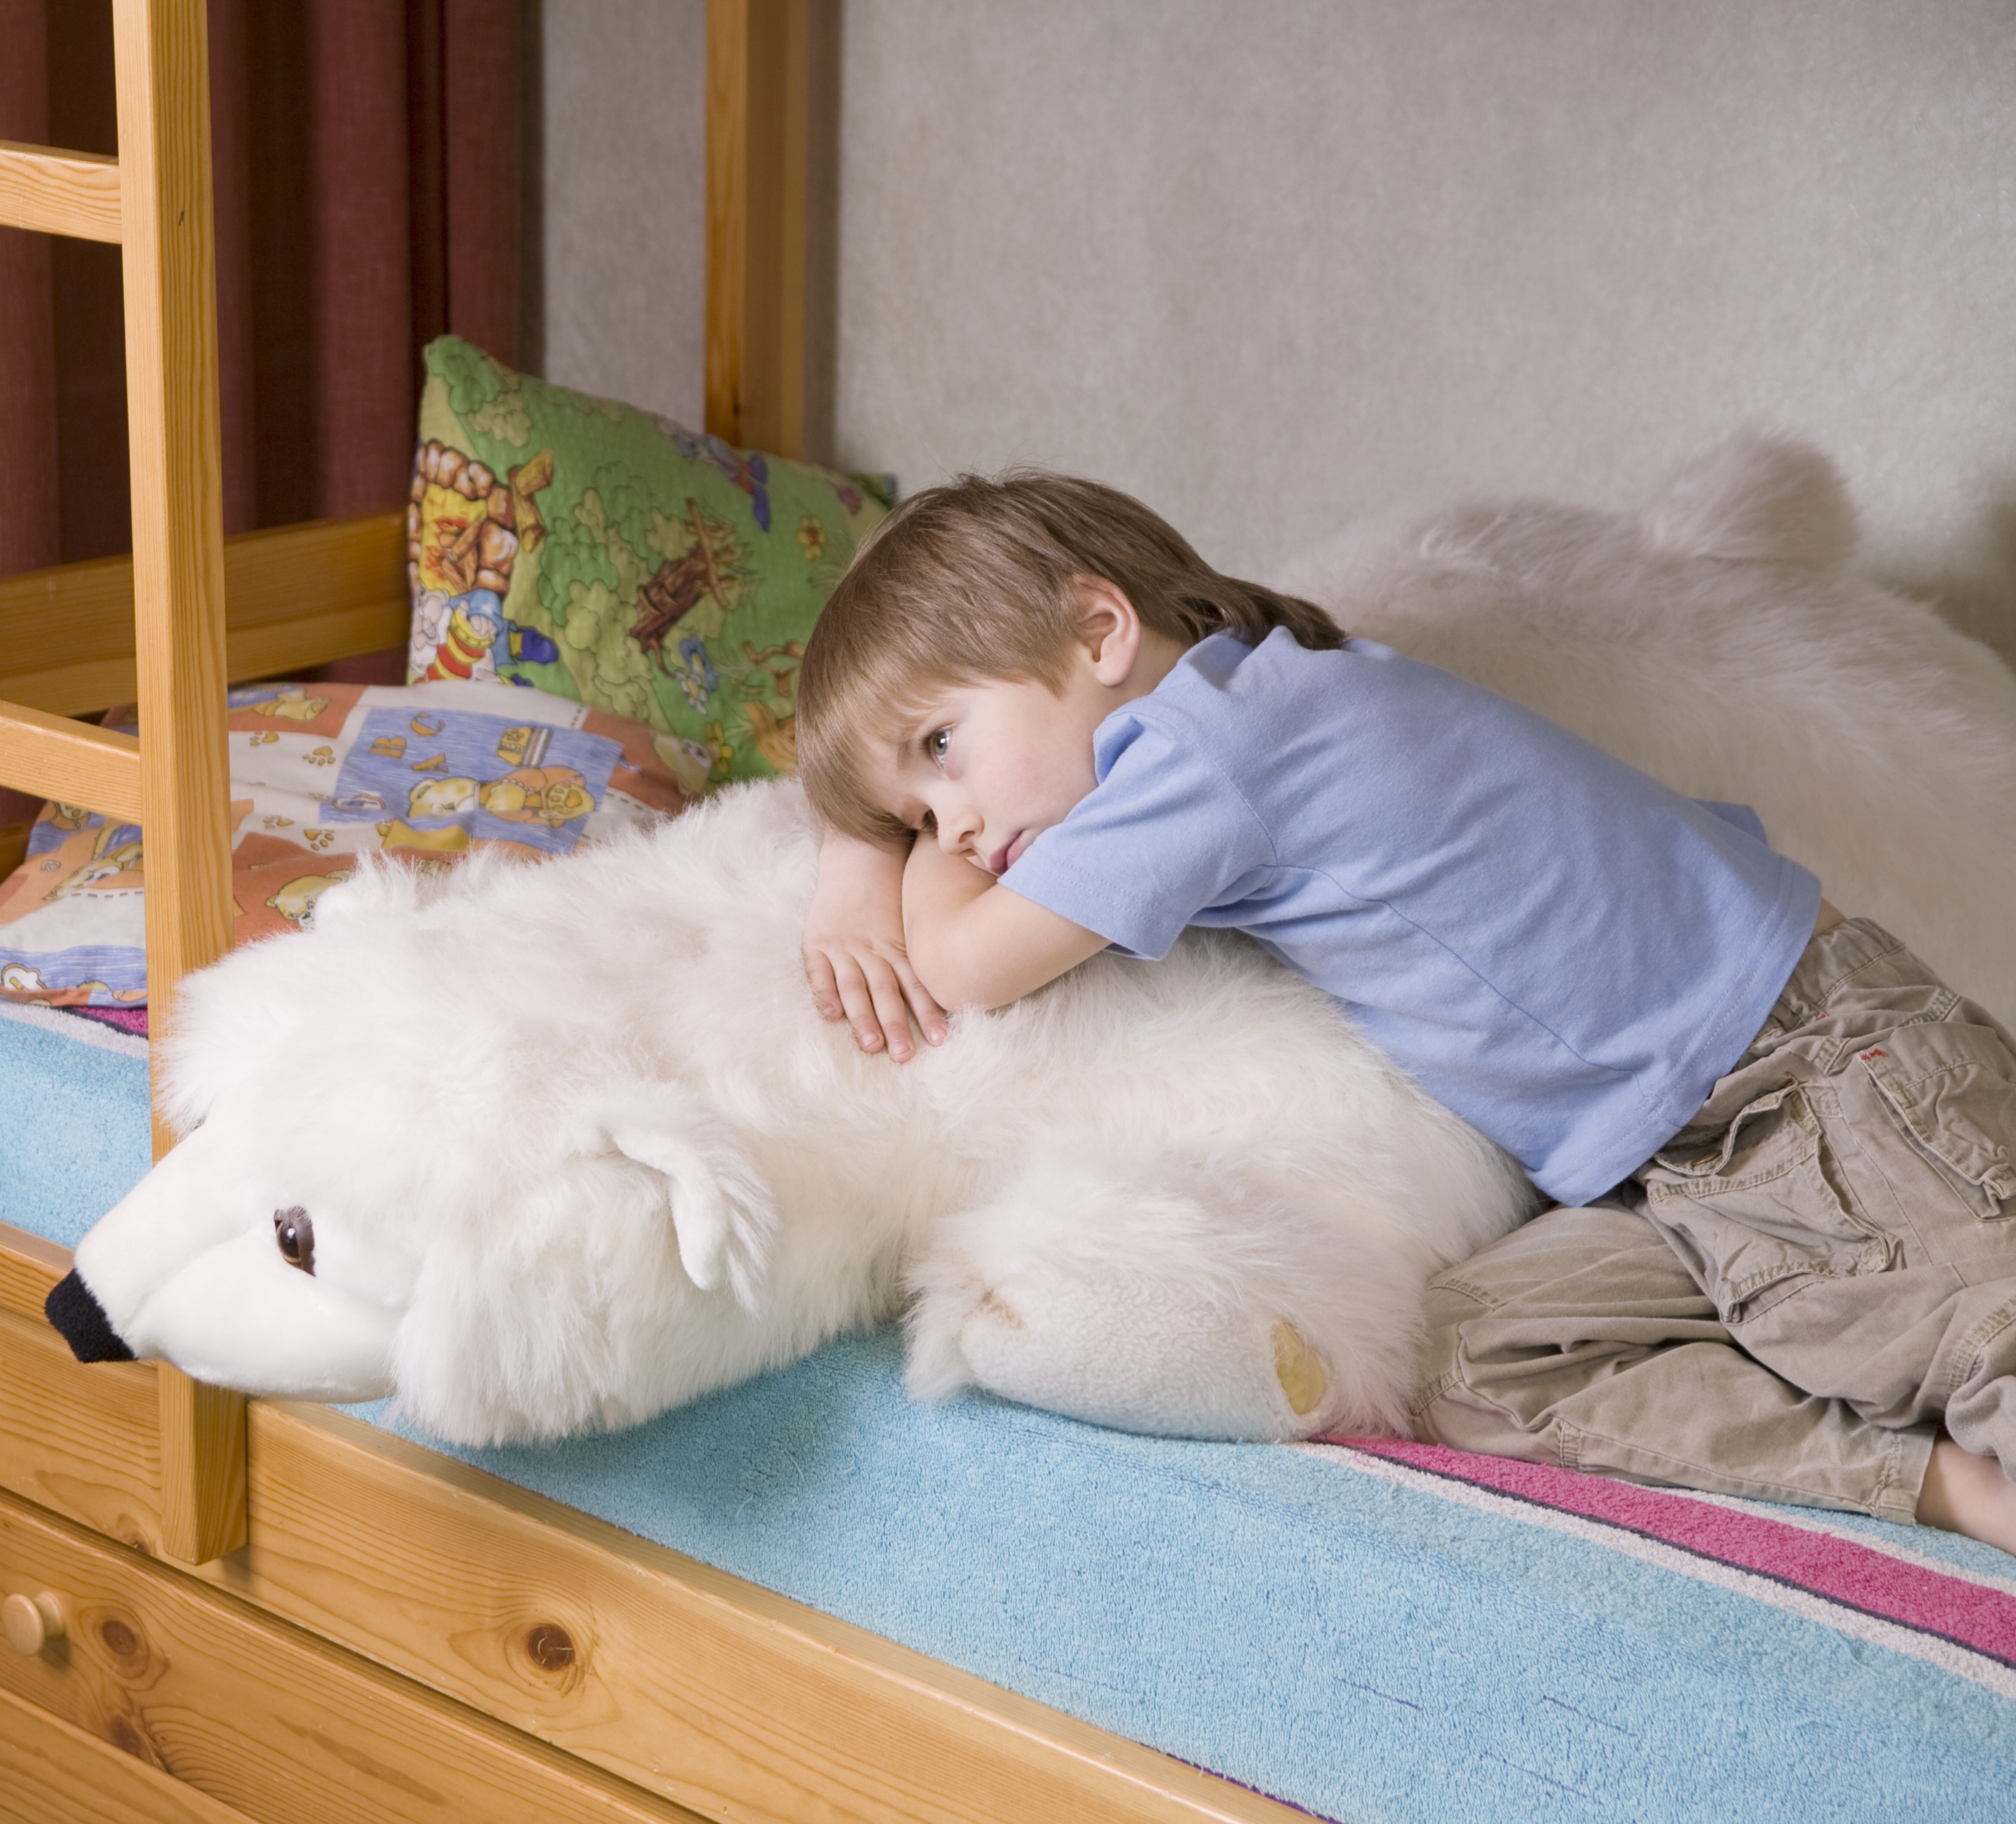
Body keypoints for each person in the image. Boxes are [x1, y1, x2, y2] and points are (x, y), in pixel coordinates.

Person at [791, 468, 2016, 1555]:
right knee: (1473, 1363)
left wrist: (856, 857)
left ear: (1100, 627)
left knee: (1986, 1337)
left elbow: (960, 961)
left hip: (1812, 1069)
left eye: (942, 749)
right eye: (913, 818)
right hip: (1675, 1160)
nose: (946, 830)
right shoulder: (1253, 707)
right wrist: (885, 804)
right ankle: (1939, 1486)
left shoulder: (1210, 749)